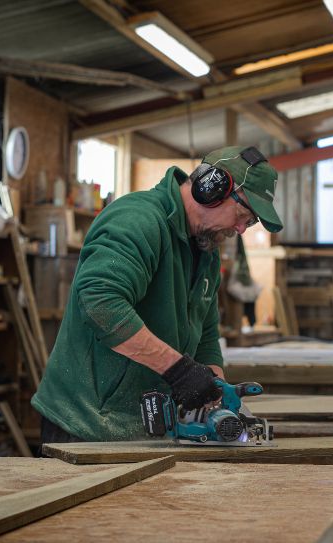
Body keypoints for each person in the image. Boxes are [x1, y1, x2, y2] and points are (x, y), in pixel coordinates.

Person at [32, 145, 283, 444]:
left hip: (147, 427)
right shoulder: (138, 220)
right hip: (86, 422)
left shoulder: (206, 250)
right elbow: (100, 302)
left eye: (250, 222)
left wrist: (216, 394)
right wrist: (179, 371)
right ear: (210, 188)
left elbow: (205, 333)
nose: (242, 229)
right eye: (243, 215)